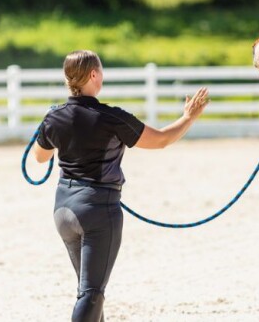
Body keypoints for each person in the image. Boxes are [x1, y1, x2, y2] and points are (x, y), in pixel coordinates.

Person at [32, 50, 209, 321]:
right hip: (96, 210)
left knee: (87, 291)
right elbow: (161, 140)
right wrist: (189, 117)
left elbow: (40, 156)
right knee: (92, 293)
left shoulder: (53, 116)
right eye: (100, 71)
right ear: (93, 75)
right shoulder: (112, 117)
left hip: (63, 209)